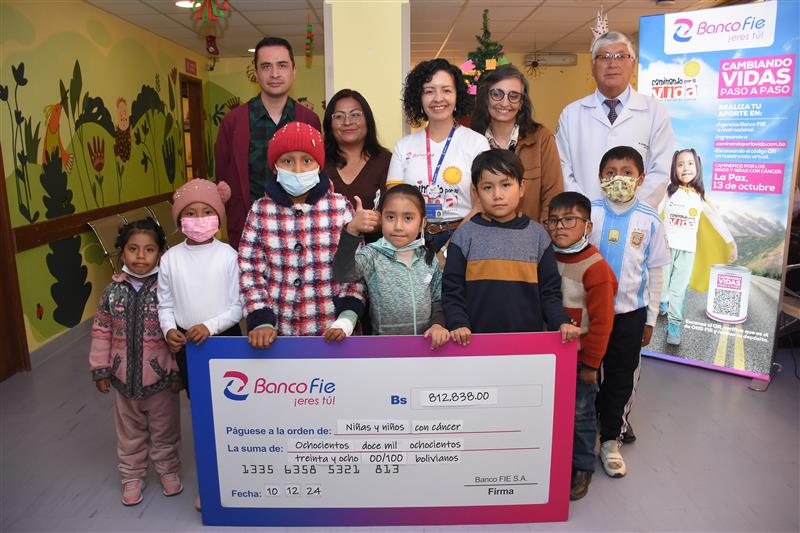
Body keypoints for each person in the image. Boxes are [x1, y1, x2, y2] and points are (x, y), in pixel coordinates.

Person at [239, 122, 365, 347]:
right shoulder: (260, 211)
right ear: (275, 167)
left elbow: (355, 267)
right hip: (278, 334)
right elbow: (249, 269)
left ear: (319, 165)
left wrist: (347, 317)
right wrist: (261, 319)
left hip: (333, 332)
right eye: (287, 161)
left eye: (307, 161)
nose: (297, 170)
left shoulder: (340, 208)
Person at [588, 146, 670, 479]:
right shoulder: (589, 214)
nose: (618, 179)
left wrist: (650, 318)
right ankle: (586, 429)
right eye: (610, 173)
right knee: (587, 374)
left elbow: (656, 272)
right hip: (590, 315)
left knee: (621, 377)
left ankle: (611, 440)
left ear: (640, 179)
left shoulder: (650, 220)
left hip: (630, 314)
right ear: (600, 177)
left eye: (626, 172)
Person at [442, 148, 580, 344]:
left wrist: (560, 322)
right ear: (475, 192)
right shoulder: (464, 235)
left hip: (527, 345)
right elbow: (452, 290)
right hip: (473, 344)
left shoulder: (538, 236)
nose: (497, 195)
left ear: (522, 187)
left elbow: (550, 292)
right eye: (487, 187)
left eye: (506, 185)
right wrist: (457, 323)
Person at [89, 218, 182, 506]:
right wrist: (101, 368)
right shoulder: (112, 292)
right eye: (133, 249)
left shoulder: (166, 290)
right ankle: (131, 476)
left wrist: (177, 371)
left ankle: (168, 469)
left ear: (160, 253)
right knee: (129, 433)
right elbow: (101, 331)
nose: (140, 256)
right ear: (122, 252)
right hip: (123, 380)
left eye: (149, 249)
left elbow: (177, 335)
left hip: (161, 381)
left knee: (165, 430)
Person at [215, 37, 321, 250]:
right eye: (266, 66)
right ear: (255, 72)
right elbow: (223, 179)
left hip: (299, 231)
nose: (274, 74)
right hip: (249, 232)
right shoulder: (233, 122)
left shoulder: (309, 120)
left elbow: (318, 175)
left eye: (282, 65)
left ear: (293, 71)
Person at [544, 192, 617, 501]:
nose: (560, 227)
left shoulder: (596, 268)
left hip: (577, 360)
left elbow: (602, 323)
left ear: (587, 226)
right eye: (553, 221)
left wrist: (590, 364)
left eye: (569, 220)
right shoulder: (545, 257)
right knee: (551, 410)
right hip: (547, 355)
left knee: (580, 414)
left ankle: (582, 466)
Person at [556, 31, 674, 208]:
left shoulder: (655, 110)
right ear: (593, 66)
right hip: (585, 216)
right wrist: (586, 210)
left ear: (633, 64)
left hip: (638, 217)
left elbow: (660, 170)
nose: (612, 64)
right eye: (604, 57)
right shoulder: (571, 114)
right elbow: (563, 170)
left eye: (620, 56)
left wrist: (631, 211)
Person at [387, 58, 490, 252]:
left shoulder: (477, 143)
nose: (438, 98)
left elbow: (482, 205)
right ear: (419, 98)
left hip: (465, 236)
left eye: (446, 90)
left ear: (457, 96)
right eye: (429, 91)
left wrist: (448, 251)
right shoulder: (404, 146)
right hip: (413, 240)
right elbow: (394, 204)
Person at [333, 184, 449, 349]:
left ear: (422, 223)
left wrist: (438, 325)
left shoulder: (429, 258)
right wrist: (352, 230)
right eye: (390, 217)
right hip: (384, 349)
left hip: (425, 347)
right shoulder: (372, 255)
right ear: (380, 219)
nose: (398, 226)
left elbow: (438, 299)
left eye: (408, 218)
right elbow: (343, 273)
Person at [158, 179, 243, 398]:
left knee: (232, 398)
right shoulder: (169, 259)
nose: (199, 219)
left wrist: (209, 327)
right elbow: (165, 304)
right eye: (190, 213)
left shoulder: (229, 256)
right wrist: (169, 329)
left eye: (207, 212)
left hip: (225, 339)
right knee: (198, 398)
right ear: (180, 220)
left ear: (218, 217)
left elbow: (238, 306)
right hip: (187, 344)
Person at [659, 148, 737, 346]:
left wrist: (730, 242)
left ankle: (674, 325)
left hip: (687, 251)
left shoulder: (700, 197)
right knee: (661, 286)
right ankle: (662, 302)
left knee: (678, 290)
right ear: (674, 169)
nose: (685, 168)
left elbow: (716, 220)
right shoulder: (668, 191)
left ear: (697, 167)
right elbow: (655, 213)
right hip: (664, 249)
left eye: (690, 163)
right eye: (680, 164)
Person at [471, 65, 563, 223]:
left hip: (530, 234)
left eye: (513, 96)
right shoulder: (471, 140)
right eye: (497, 94)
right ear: (486, 98)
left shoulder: (541, 138)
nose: (505, 103)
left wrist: (541, 234)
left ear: (521, 103)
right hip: (483, 234)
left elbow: (553, 195)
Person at [323, 88, 391, 244]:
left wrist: (376, 222)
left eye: (355, 115)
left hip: (374, 252)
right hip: (324, 251)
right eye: (339, 116)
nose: (347, 122)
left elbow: (394, 214)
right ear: (329, 124)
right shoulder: (317, 162)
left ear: (367, 119)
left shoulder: (386, 161)